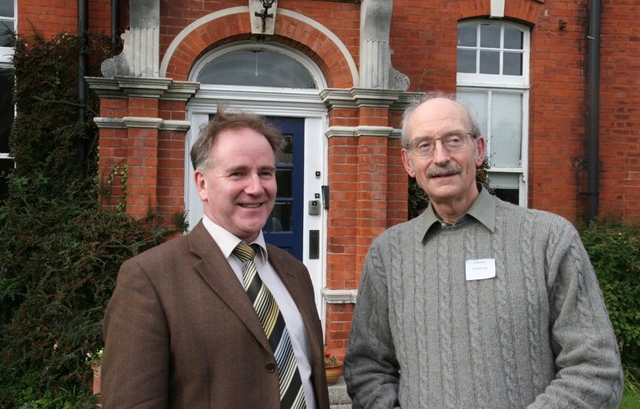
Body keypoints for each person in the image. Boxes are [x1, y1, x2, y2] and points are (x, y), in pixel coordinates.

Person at [343, 93, 623, 408]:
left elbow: (595, 368)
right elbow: (366, 369)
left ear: (478, 150)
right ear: (409, 163)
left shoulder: (549, 239)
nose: (440, 158)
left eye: (453, 140)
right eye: (424, 145)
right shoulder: (388, 254)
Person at [102, 107, 330, 409]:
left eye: (266, 172)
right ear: (202, 184)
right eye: (238, 173)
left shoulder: (295, 272)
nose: (256, 188)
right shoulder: (149, 278)